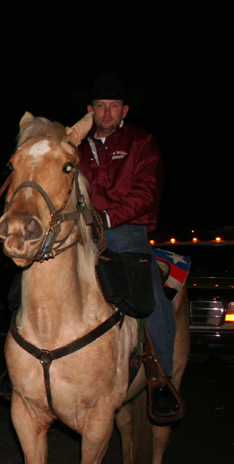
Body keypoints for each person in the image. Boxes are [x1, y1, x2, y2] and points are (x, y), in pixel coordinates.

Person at [77, 73, 180, 419]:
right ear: (90, 110)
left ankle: (160, 379)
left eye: (114, 106)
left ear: (125, 110)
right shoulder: (75, 145)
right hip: (78, 230)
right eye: (101, 106)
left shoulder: (141, 141)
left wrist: (106, 217)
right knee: (34, 271)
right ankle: (17, 366)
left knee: (150, 293)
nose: (107, 112)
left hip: (125, 230)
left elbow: (148, 191)